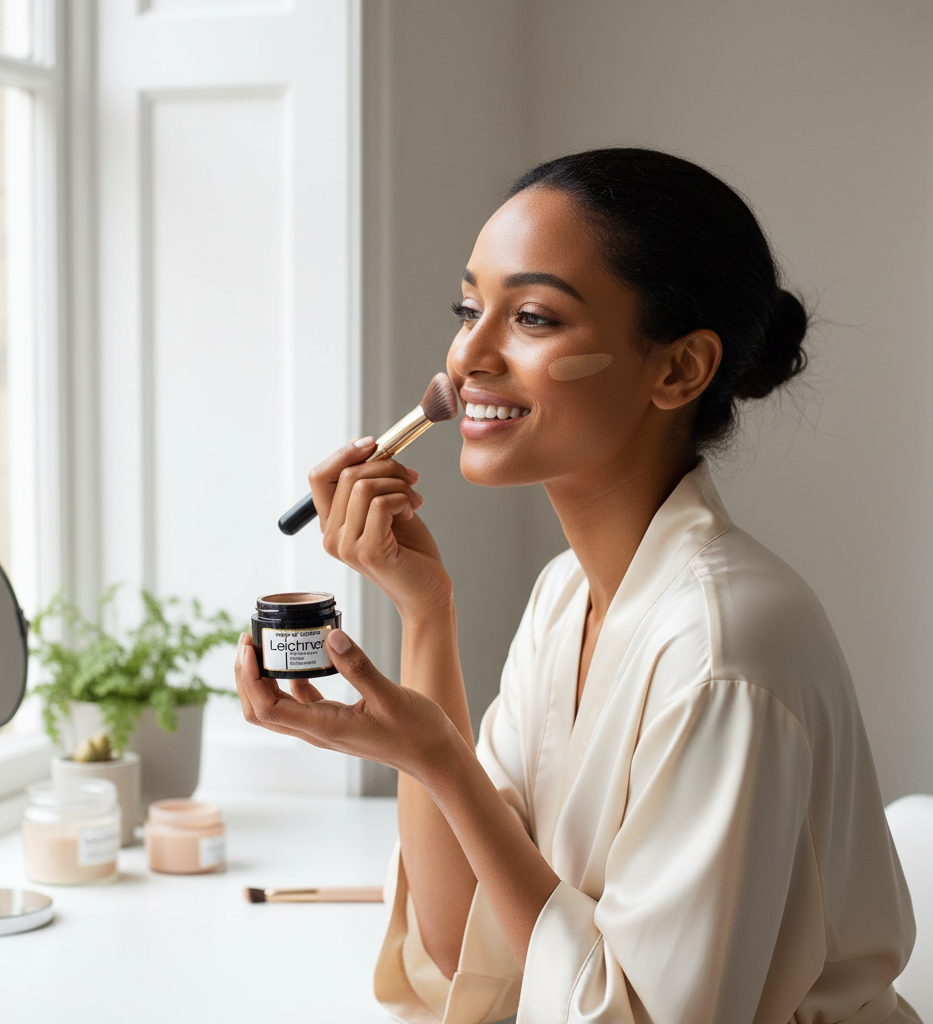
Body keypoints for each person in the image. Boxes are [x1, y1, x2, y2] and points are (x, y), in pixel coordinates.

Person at [234, 148, 919, 1024]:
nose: (466, 358)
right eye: (468, 308)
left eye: (530, 316)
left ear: (678, 370)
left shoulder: (725, 651)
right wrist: (424, 617)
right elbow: (461, 943)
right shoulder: (566, 596)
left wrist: (440, 753)